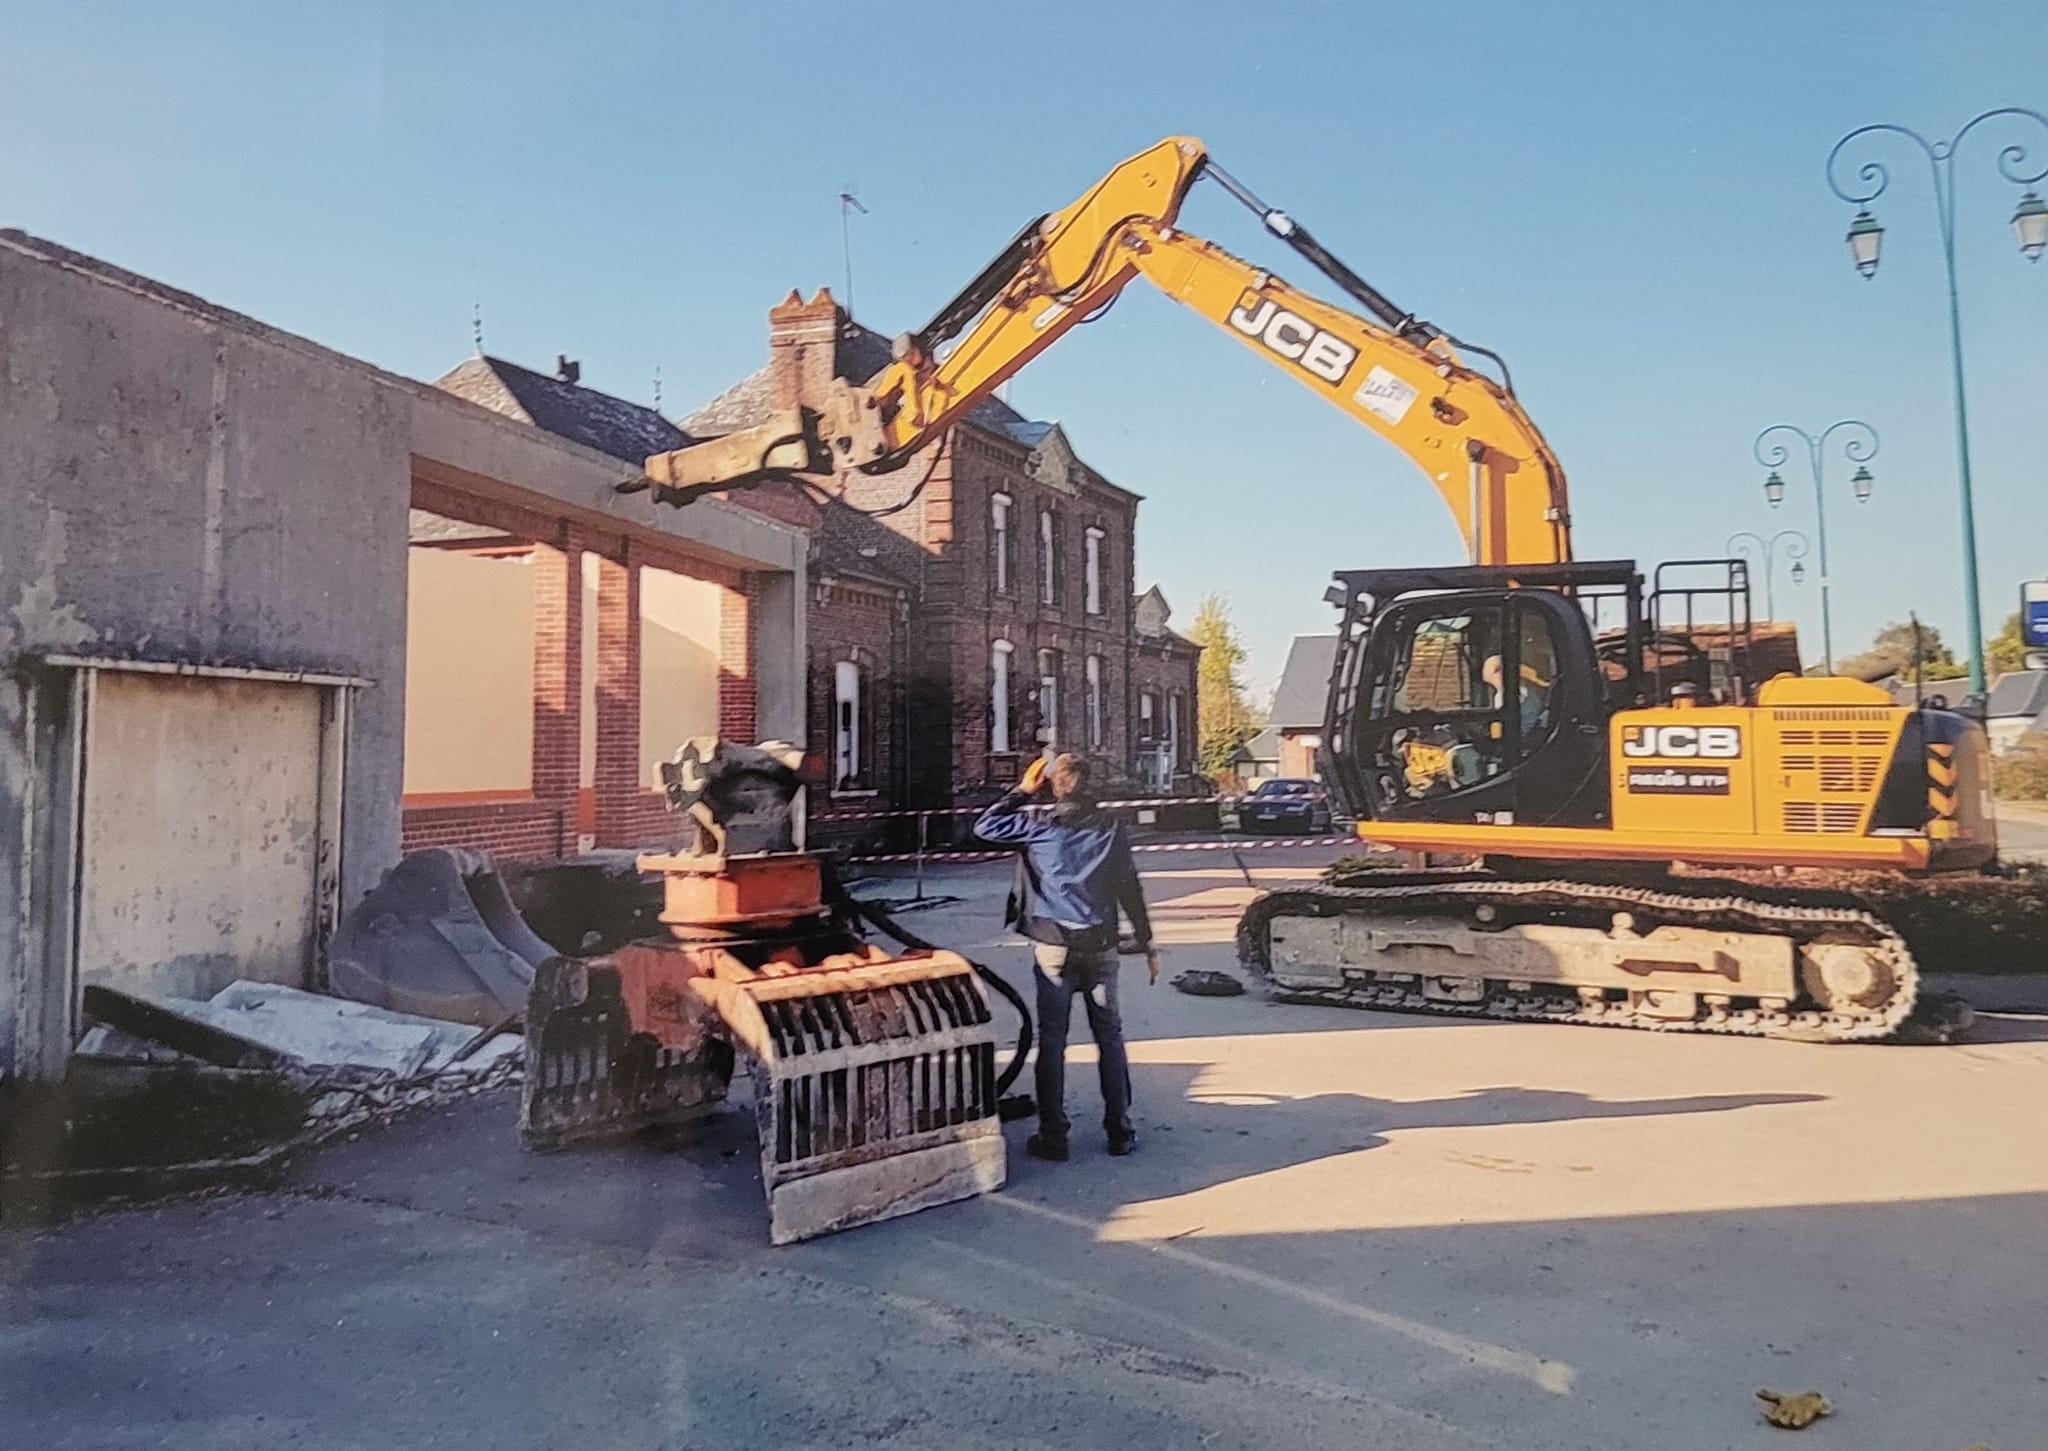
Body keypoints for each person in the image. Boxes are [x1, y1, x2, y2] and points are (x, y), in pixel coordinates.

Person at [974, 752, 1159, 1161]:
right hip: (1101, 946)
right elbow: (1129, 885)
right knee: (1110, 1038)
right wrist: (1146, 940)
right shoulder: (1110, 826)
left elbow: (984, 826)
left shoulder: (1036, 824)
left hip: (1054, 947)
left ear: (1051, 785)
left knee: (1053, 1042)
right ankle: (1119, 1132)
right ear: (1091, 784)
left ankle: (1054, 1137)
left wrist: (1022, 791)